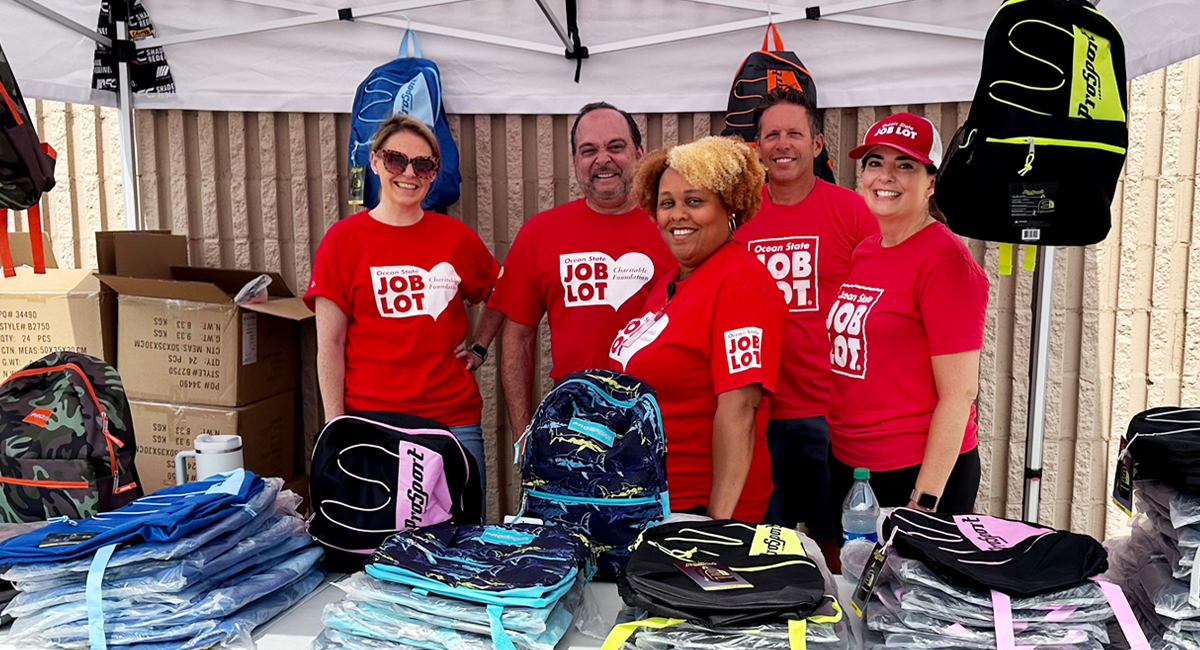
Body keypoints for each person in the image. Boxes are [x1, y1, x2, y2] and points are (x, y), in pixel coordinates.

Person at [305, 114, 500, 499]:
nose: (409, 172)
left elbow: (503, 289)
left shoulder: (455, 238)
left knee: (460, 547)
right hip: (371, 425)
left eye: (423, 164)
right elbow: (329, 344)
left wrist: (479, 347)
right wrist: (336, 425)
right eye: (396, 160)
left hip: (451, 423)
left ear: (434, 173)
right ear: (375, 162)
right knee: (376, 548)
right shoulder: (343, 241)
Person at [610, 136, 786, 522]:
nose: (677, 215)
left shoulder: (742, 285)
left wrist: (716, 527)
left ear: (730, 207)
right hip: (655, 500)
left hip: (701, 512)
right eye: (667, 203)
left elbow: (741, 408)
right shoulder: (669, 284)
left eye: (694, 201)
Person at [827, 112, 989, 526]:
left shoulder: (945, 262)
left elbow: (959, 394)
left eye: (905, 166)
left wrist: (925, 501)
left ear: (931, 182)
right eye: (875, 163)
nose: (886, 176)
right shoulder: (866, 250)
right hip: (852, 463)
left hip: (912, 471)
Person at [733, 87, 877, 550]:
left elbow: (879, 300)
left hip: (831, 413)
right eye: (771, 135)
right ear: (758, 147)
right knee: (766, 547)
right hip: (759, 411)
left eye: (794, 133)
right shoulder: (738, 216)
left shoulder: (853, 210)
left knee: (841, 547)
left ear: (816, 145)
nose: (782, 144)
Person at [486, 102, 675, 439]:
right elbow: (518, 338)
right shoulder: (540, 233)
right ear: (575, 161)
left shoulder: (674, 226)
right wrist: (523, 434)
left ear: (640, 153)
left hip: (662, 418)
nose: (603, 159)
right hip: (574, 422)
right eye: (589, 151)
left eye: (616, 147)